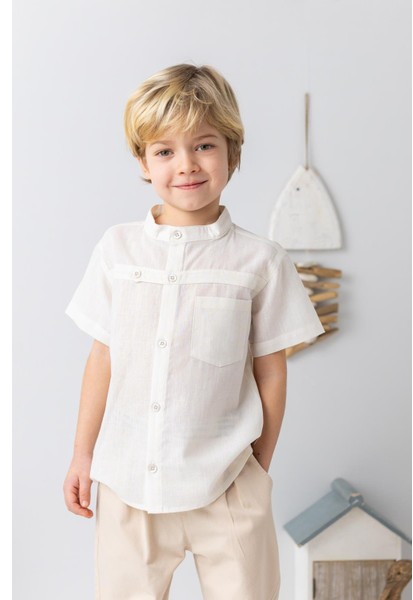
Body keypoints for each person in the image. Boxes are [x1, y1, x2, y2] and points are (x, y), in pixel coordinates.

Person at [63, 63, 325, 600]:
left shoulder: (261, 260)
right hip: (128, 483)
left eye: (204, 145)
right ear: (143, 162)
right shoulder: (117, 250)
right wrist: (82, 455)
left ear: (233, 152)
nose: (186, 165)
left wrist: (258, 468)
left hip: (227, 481)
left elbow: (271, 372)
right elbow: (102, 357)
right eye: (165, 151)